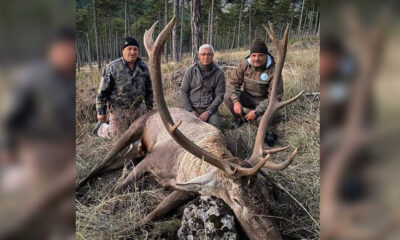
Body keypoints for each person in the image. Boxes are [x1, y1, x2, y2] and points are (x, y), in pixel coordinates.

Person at [223, 39, 283, 146]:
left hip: (265, 102)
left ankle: (269, 131)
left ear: (266, 55)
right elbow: (234, 84)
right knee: (228, 97)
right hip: (248, 97)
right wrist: (236, 101)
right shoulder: (244, 65)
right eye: (254, 55)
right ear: (250, 55)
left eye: (260, 55)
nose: (256, 59)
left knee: (260, 120)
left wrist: (256, 112)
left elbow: (275, 98)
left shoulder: (274, 70)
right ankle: (240, 119)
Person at [92, 37, 153, 139]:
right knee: (118, 137)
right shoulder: (112, 67)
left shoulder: (144, 67)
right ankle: (101, 128)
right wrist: (101, 113)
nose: (132, 52)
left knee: (141, 135)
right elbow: (102, 93)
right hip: (118, 110)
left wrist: (150, 108)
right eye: (129, 49)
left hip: (138, 109)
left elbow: (149, 90)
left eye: (135, 49)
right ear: (123, 51)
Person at [181, 44, 225, 128]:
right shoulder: (190, 70)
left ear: (213, 55)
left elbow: (220, 96)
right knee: (186, 128)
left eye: (209, 54)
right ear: (198, 56)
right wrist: (190, 111)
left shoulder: (219, 73)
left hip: (209, 109)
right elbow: (183, 91)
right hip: (192, 108)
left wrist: (208, 112)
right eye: (203, 54)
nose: (206, 57)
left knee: (215, 126)